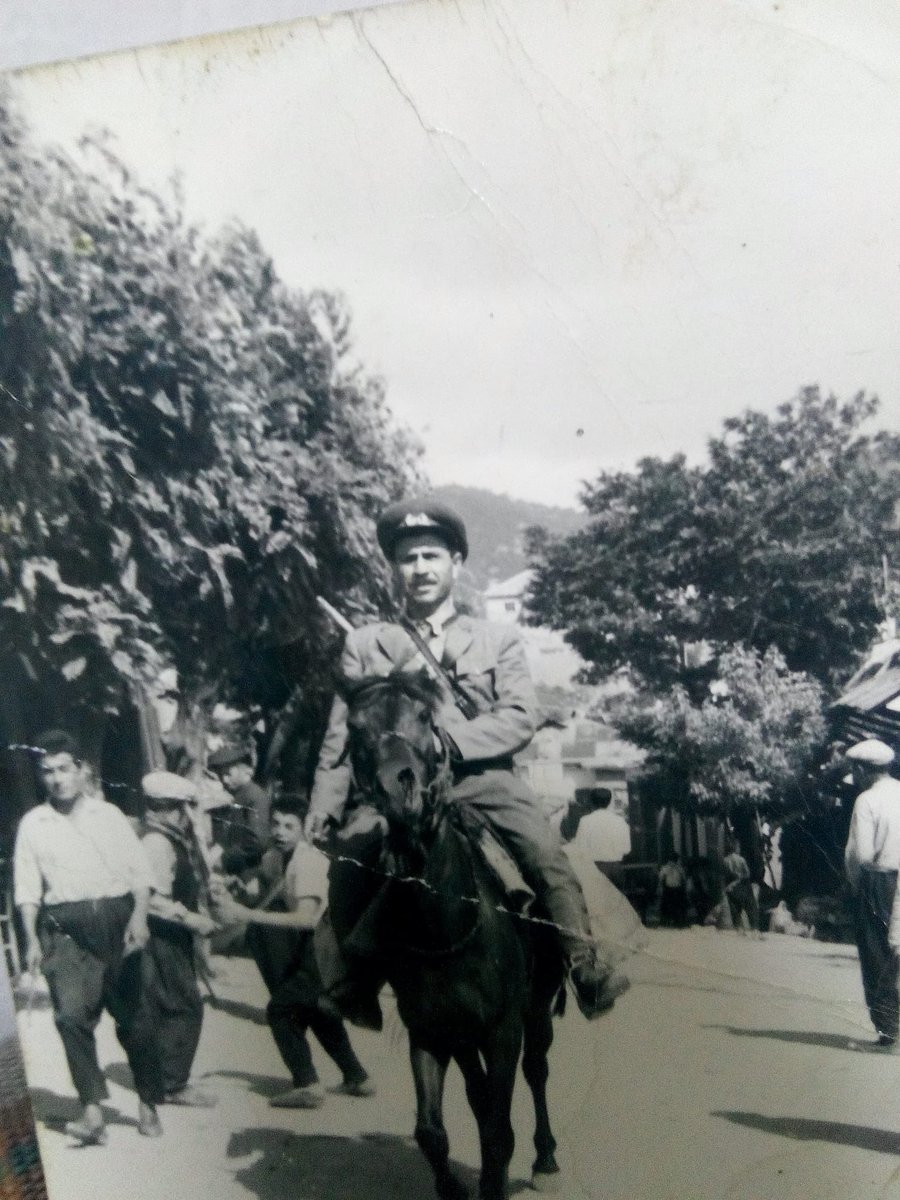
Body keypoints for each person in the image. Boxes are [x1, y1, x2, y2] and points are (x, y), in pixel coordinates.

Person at [305, 497, 630, 1021]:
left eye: (431, 556)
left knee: (544, 853)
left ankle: (581, 965)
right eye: (408, 559)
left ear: (456, 563)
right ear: (394, 567)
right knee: (349, 862)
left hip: (483, 780)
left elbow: (521, 714)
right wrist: (324, 802)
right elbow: (341, 736)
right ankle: (353, 983)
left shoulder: (495, 638)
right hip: (400, 787)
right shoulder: (367, 644)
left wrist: (450, 744)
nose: (420, 569)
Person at [13, 729, 165, 1144]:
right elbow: (27, 888)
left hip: (117, 922)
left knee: (136, 1021)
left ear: (82, 770)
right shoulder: (34, 824)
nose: (57, 779)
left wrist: (139, 918)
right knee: (69, 1016)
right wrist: (30, 939)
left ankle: (149, 1101)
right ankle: (92, 1109)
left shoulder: (109, 816)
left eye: (65, 769)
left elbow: (140, 875)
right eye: (48, 771)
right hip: (65, 929)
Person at [213, 794, 374, 1108]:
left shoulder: (308, 861)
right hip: (314, 948)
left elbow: (306, 918)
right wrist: (236, 890)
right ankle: (358, 1078)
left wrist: (245, 915)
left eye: (289, 825)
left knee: (281, 1010)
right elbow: (262, 888)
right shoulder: (276, 856)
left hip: (329, 949)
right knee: (315, 1011)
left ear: (303, 830)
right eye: (275, 823)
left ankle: (307, 1085)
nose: (280, 831)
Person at [140, 770, 218, 1107]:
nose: (188, 816)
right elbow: (153, 899)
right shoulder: (157, 844)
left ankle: (164, 1077)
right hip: (163, 934)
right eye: (182, 809)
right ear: (166, 809)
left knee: (171, 1002)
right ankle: (172, 1084)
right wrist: (191, 919)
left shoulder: (170, 839)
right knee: (185, 1005)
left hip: (172, 934)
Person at [844, 737, 900, 1052]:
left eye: (855, 769)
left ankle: (889, 1032)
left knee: (877, 955)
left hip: (880, 882)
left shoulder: (866, 800)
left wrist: (853, 884)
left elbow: (862, 854)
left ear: (864, 769)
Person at [207, 743, 269, 876]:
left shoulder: (255, 797)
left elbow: (257, 842)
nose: (224, 779)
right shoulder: (237, 795)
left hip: (248, 871)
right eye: (221, 775)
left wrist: (224, 860)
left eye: (228, 774)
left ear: (246, 770)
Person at [722, 842, 761, 936]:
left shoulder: (725, 860)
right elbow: (747, 874)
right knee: (750, 908)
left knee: (735, 910)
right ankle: (755, 929)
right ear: (736, 848)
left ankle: (739, 929)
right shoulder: (741, 859)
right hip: (742, 886)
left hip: (730, 888)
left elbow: (723, 875)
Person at [657, 853, 688, 928]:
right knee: (669, 907)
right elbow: (661, 879)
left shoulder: (679, 868)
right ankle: (669, 922)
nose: (673, 862)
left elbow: (683, 879)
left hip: (677, 890)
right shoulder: (666, 868)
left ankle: (677, 921)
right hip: (669, 890)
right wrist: (660, 888)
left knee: (677, 907)